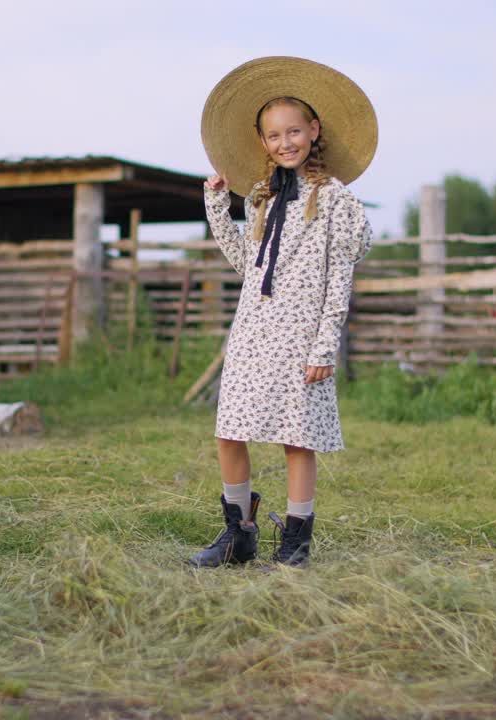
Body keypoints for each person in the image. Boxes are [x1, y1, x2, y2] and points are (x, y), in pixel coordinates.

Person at [189, 57, 378, 568]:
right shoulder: (261, 197)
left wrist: (325, 345)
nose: (285, 142)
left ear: (313, 131)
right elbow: (247, 266)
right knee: (230, 430)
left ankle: (295, 544)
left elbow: (340, 278)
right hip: (253, 330)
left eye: (294, 131)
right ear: (263, 141)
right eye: (274, 135)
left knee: (298, 440)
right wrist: (216, 207)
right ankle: (238, 535)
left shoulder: (335, 199)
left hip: (301, 336)